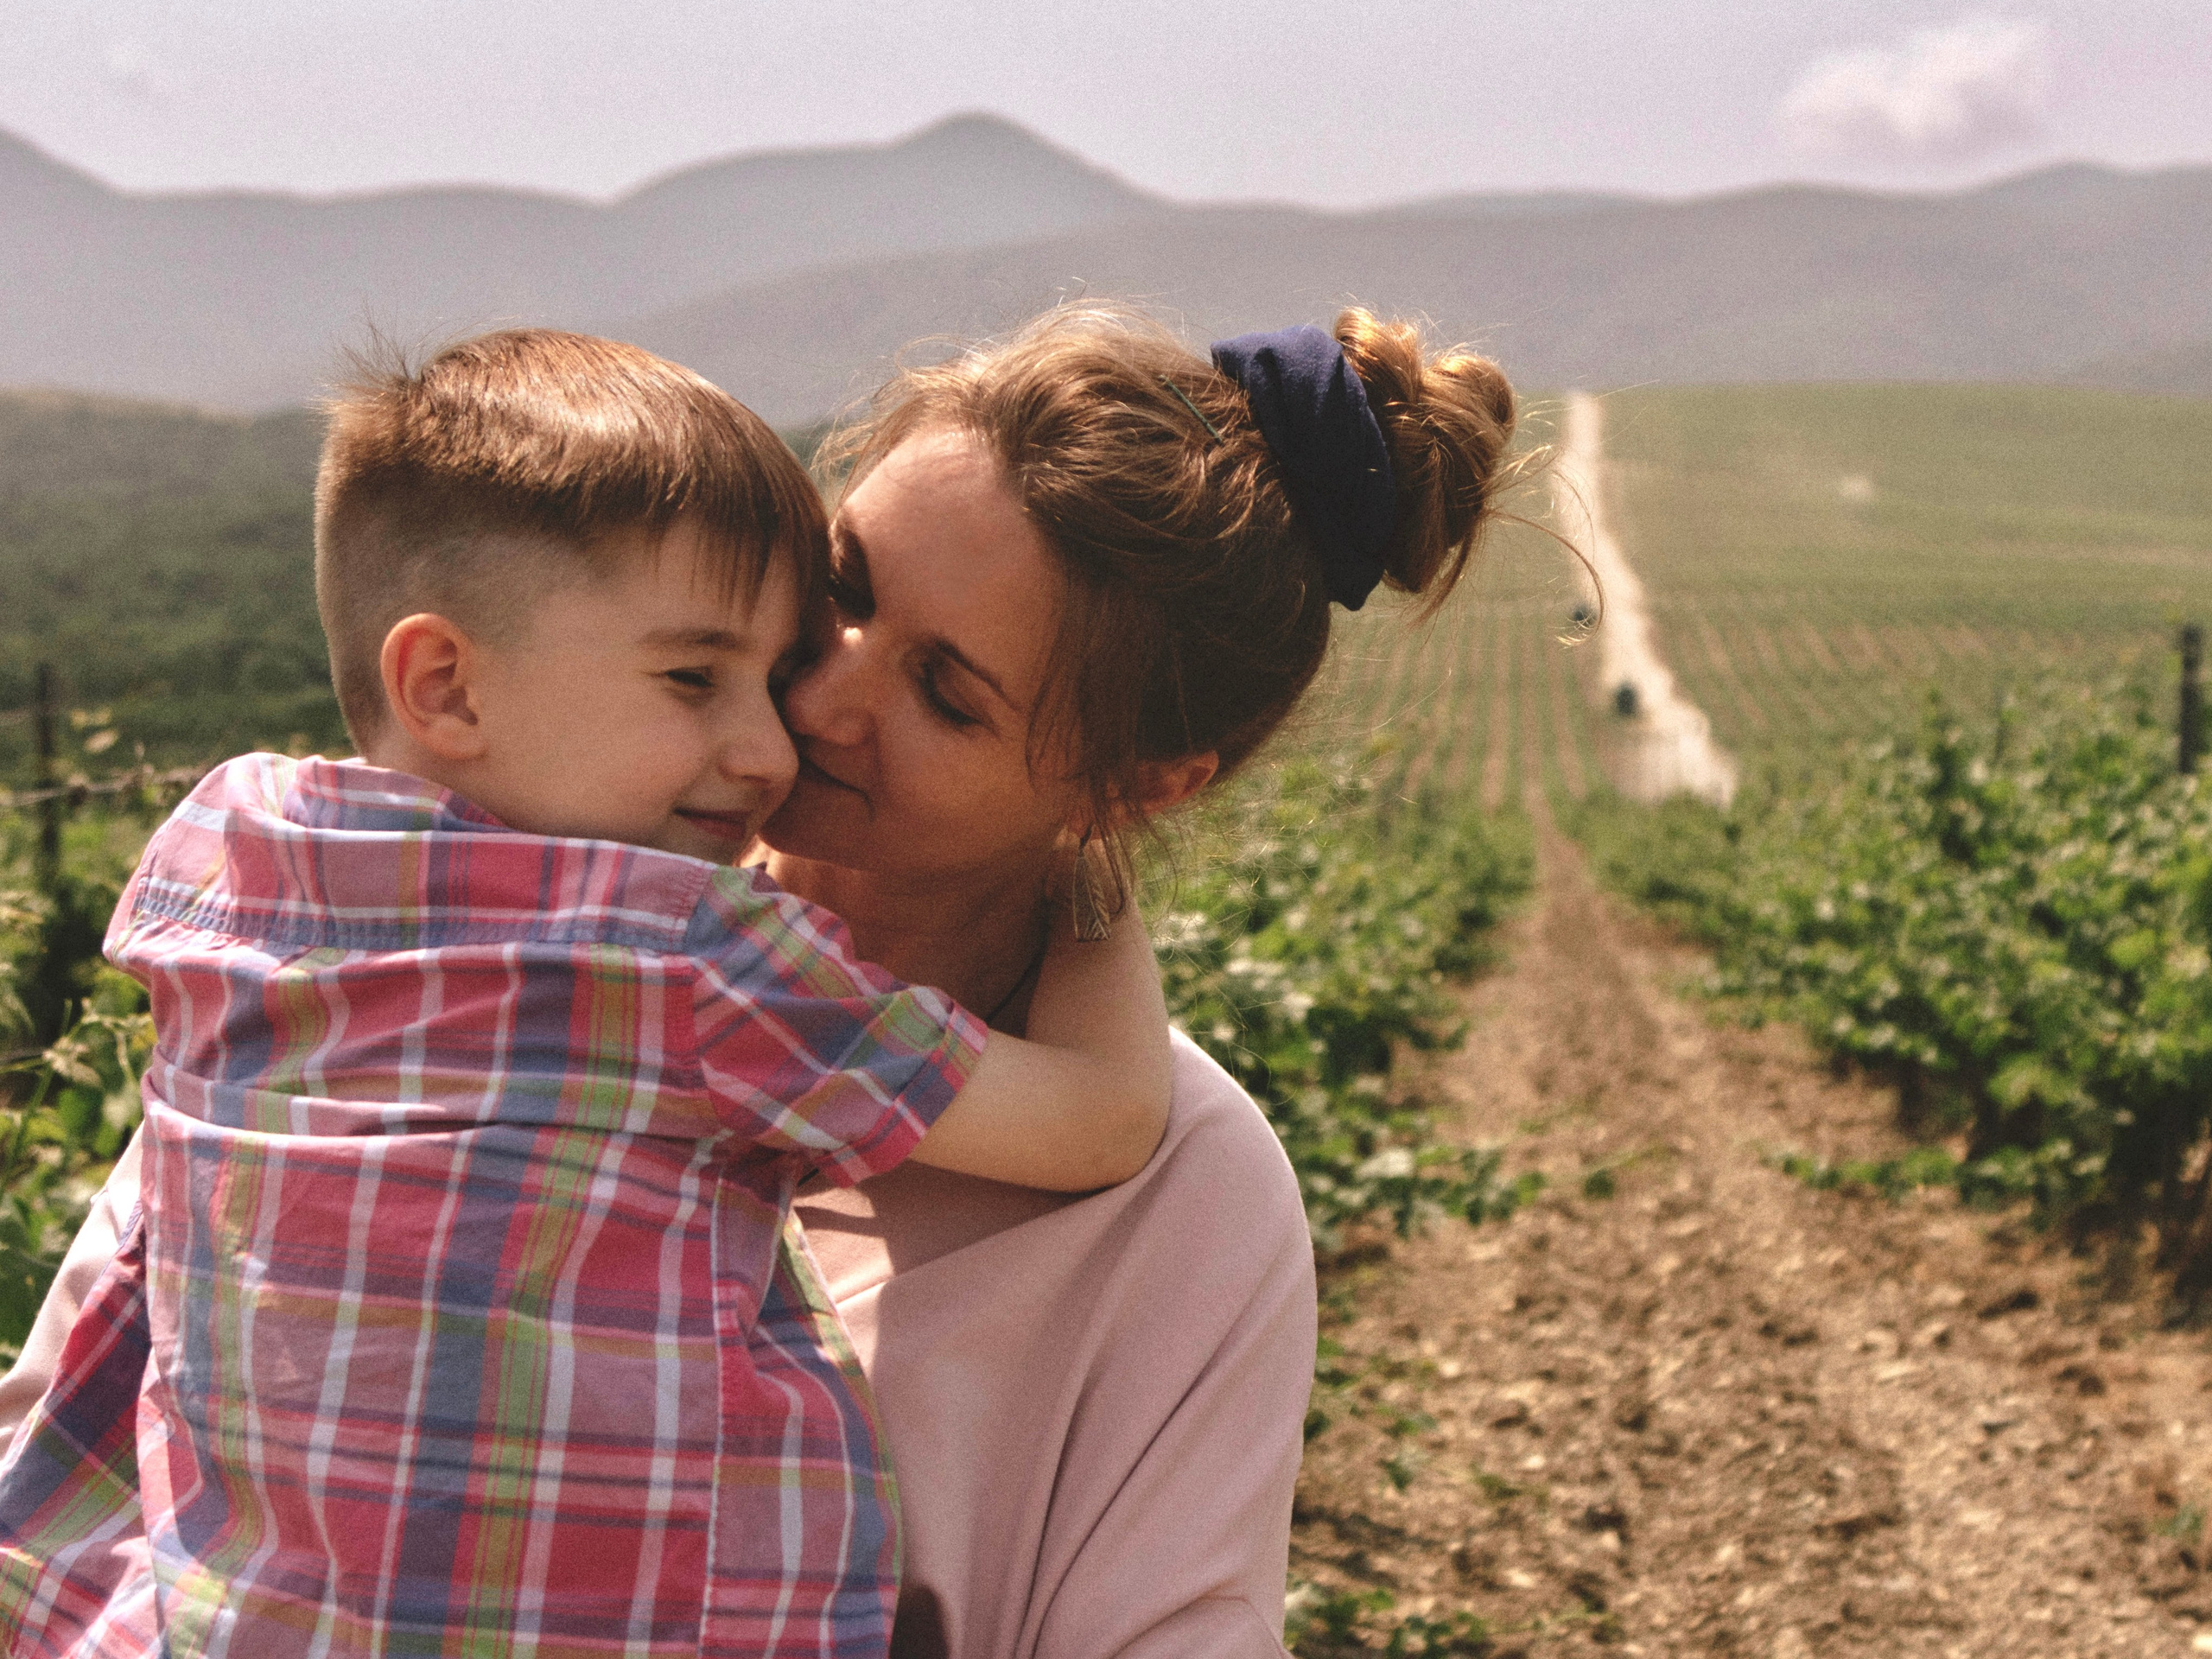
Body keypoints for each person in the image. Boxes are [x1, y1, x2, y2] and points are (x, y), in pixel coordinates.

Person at [2, 303, 1525, 1656]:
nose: (823, 689)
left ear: (1138, 787)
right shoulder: (446, 974)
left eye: (943, 690)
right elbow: (79, 1442)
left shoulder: (1184, 1199)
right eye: (842, 584)